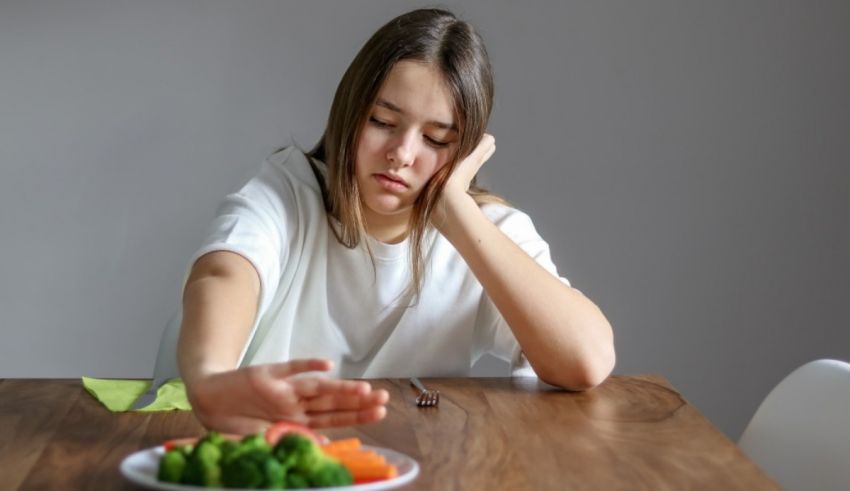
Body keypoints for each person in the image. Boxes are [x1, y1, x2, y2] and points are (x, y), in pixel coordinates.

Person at [176, 8, 615, 435]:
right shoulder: (287, 190)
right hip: (262, 451)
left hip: (412, 465)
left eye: (435, 138)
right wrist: (210, 377)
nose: (402, 154)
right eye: (383, 121)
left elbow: (587, 360)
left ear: (465, 150)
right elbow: (223, 273)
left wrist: (455, 212)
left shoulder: (484, 230)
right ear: (350, 111)